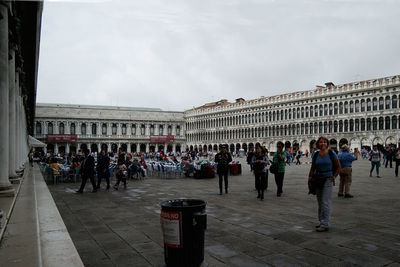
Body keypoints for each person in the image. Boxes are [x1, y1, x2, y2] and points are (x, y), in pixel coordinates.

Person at [308, 136, 341, 232]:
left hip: (327, 180)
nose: (323, 144)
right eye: (321, 142)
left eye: (325, 142)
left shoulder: (331, 153)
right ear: (318, 144)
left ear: (327, 144)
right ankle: (321, 221)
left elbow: (338, 167)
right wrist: (309, 179)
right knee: (320, 202)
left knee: (325, 202)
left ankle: (325, 223)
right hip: (318, 179)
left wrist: (333, 177)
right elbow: (312, 168)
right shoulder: (316, 154)